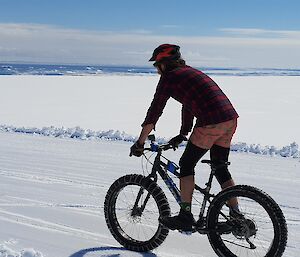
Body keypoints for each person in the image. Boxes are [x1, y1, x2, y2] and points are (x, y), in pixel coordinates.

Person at [130, 44, 239, 232]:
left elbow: (155, 111)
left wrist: (140, 142)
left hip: (210, 122)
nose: (157, 69)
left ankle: (185, 215)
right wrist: (183, 133)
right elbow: (189, 104)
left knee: (186, 164)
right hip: (230, 120)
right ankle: (236, 216)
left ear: (164, 64)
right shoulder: (189, 72)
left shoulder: (169, 78)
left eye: (157, 65)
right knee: (220, 167)